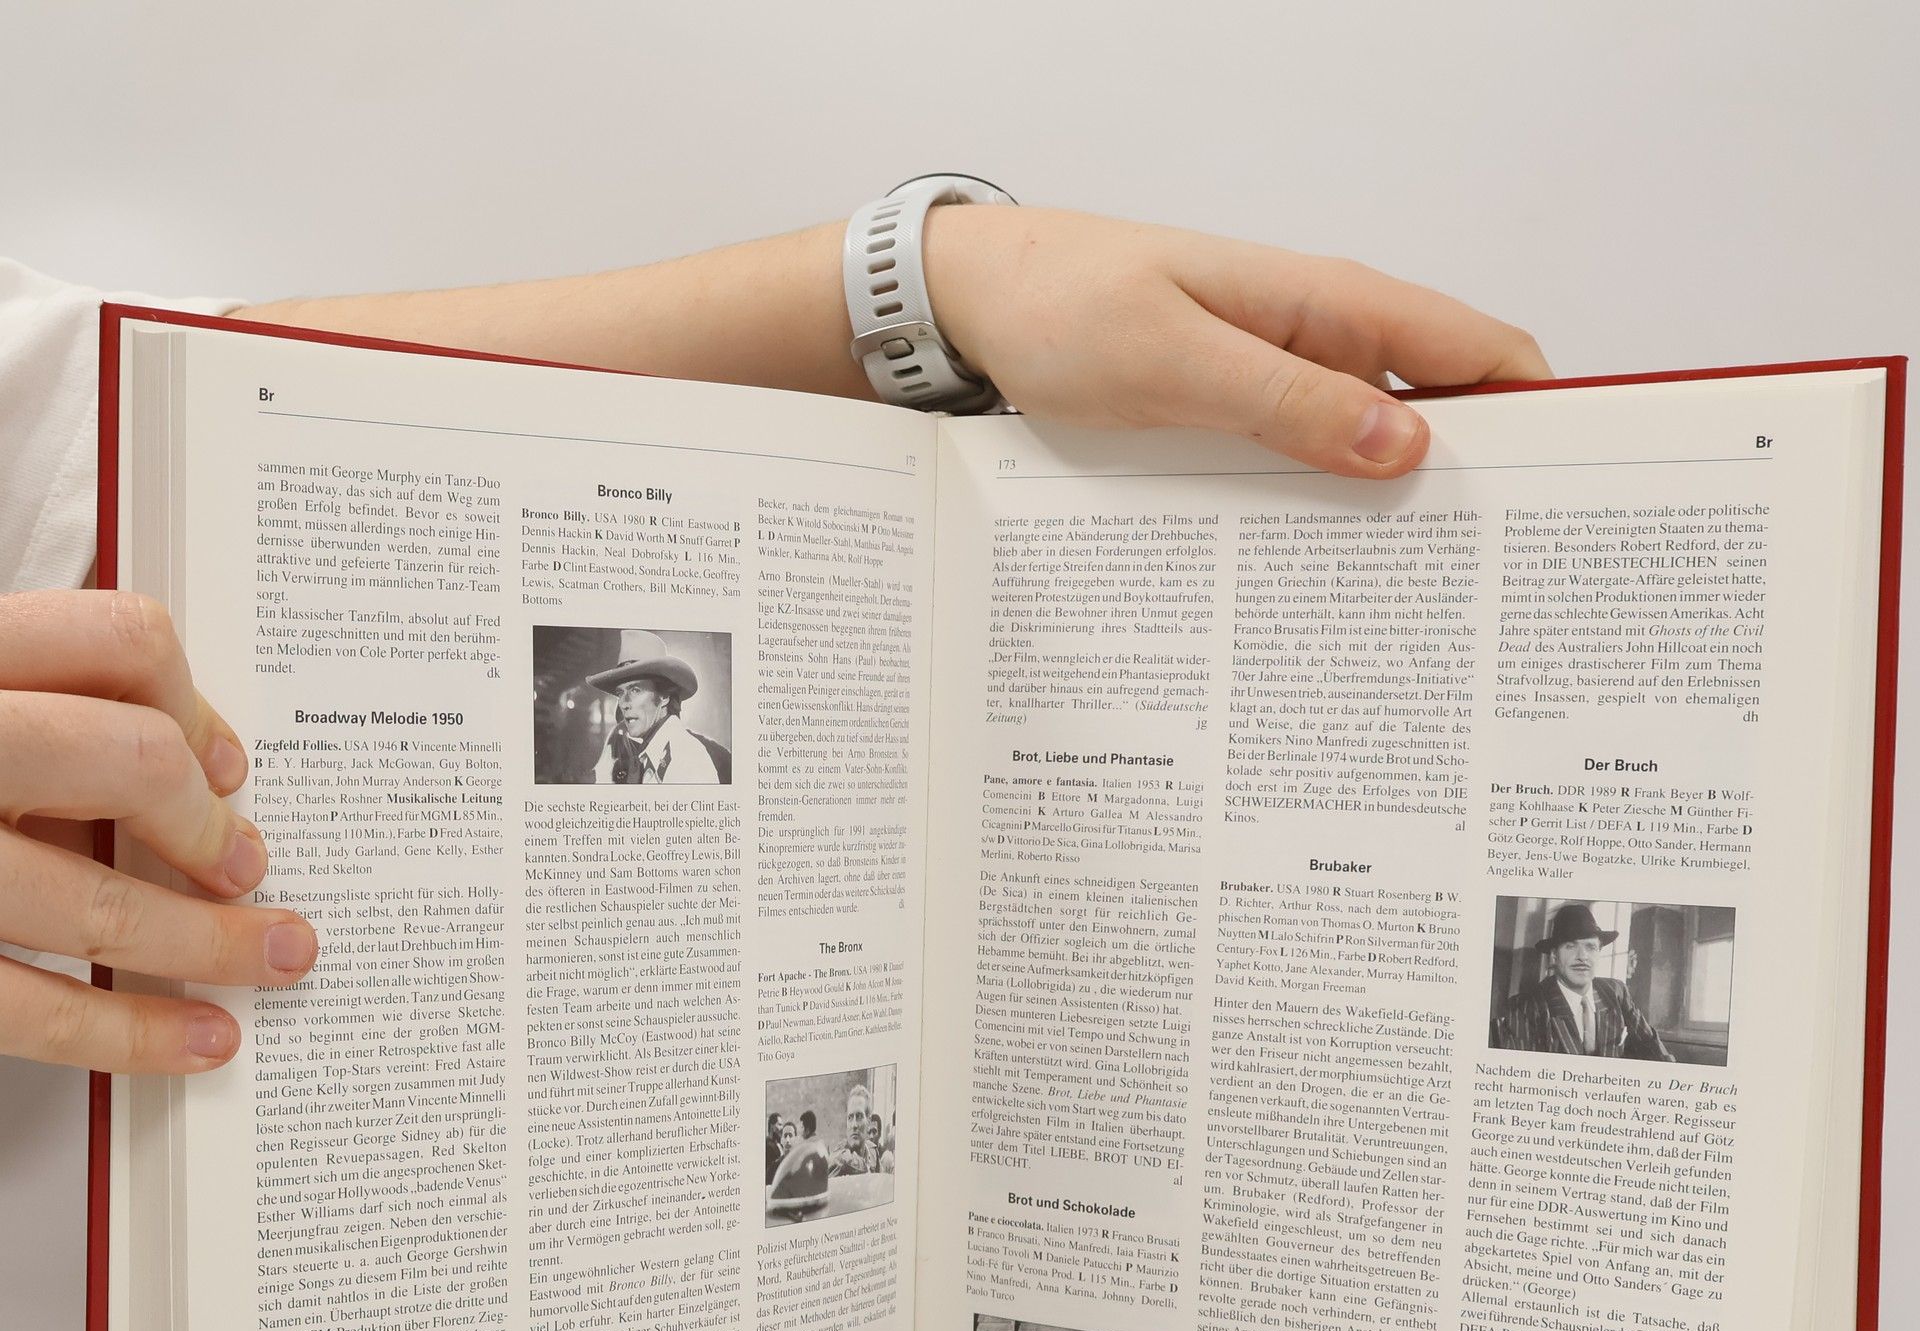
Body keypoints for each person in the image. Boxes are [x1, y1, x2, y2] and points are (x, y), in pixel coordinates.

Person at [0, 212, 1548, 1073]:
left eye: (635, 697)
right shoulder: (583, 768)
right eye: (610, 696)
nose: (617, 712)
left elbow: (136, 408)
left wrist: (944, 283)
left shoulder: (713, 764)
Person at [1491, 901, 1674, 1060]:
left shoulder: (1616, 992)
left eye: (1590, 947)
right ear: (1554, 955)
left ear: (1599, 953)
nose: (1582, 957)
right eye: (1571, 946)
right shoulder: (1524, 1008)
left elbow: (1653, 1048)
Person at [582, 642, 729, 785]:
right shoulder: (629, 746)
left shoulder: (688, 759)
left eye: (635, 690)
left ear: (664, 696)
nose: (623, 704)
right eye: (620, 693)